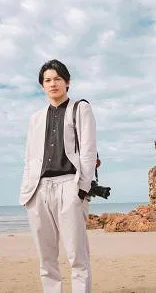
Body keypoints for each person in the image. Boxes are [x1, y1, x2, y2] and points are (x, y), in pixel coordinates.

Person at [20, 59, 97, 293]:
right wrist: (27, 192)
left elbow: (88, 151)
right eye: (47, 80)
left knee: (77, 256)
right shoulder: (36, 118)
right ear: (42, 86)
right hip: (39, 189)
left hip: (69, 185)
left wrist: (81, 189)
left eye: (57, 79)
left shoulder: (80, 109)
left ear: (67, 82)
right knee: (46, 258)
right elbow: (29, 157)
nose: (52, 84)